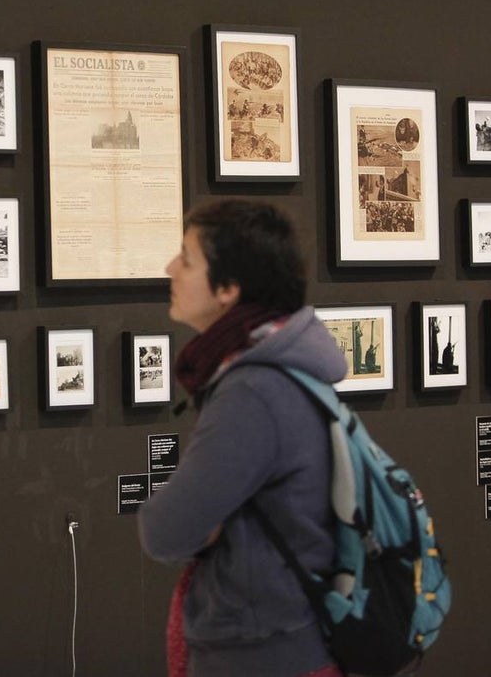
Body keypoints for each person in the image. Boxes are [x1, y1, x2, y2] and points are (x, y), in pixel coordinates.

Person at [138, 198, 346, 677]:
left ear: (228, 287)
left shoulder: (254, 390)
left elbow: (165, 527)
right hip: (289, 639)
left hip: (263, 654)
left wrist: (207, 523)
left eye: (187, 259)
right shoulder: (277, 370)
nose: (170, 268)